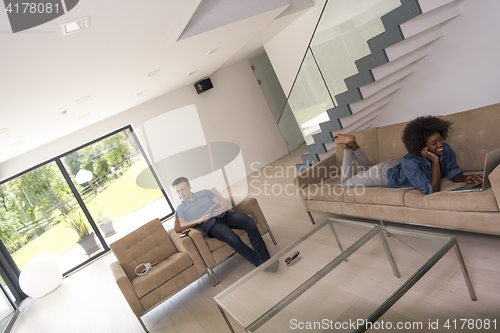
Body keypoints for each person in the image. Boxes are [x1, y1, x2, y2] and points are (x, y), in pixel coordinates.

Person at [335, 116, 483, 195]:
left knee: (367, 172)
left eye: (440, 139)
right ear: (421, 146)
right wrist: (435, 161)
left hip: (397, 166)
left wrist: (464, 178)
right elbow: (432, 190)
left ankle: (354, 146)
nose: (440, 145)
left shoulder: (445, 149)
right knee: (346, 182)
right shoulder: (412, 162)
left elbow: (452, 172)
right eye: (434, 143)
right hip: (384, 175)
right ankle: (349, 146)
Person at [172, 177, 270, 267]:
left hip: (225, 215)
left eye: (183, 189)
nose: (181, 193)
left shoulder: (205, 192)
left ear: (189, 187)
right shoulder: (181, 208)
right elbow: (178, 227)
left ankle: (264, 257)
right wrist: (198, 220)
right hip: (212, 226)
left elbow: (223, 203)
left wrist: (220, 210)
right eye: (178, 191)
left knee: (249, 221)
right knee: (232, 238)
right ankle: (261, 263)